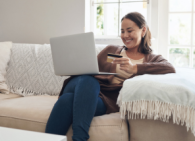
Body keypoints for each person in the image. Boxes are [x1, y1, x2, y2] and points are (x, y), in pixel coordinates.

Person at [45, 12, 176, 141]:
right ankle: (80, 138)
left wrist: (134, 68)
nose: (125, 35)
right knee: (88, 79)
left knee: (67, 100)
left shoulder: (151, 58)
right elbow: (88, 67)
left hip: (106, 100)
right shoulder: (113, 51)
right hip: (84, 86)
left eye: (129, 31)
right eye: (122, 31)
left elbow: (169, 68)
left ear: (143, 30)